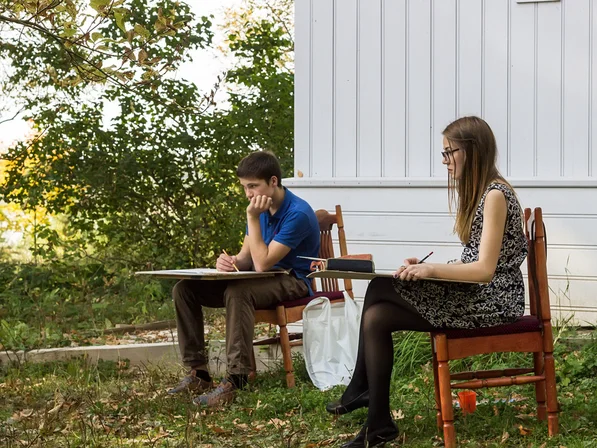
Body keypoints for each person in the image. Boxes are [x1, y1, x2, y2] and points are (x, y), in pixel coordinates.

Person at [326, 116, 528, 447]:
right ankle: (377, 422)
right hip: (479, 295)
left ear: (472, 151)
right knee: (377, 316)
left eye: (451, 152)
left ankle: (361, 392)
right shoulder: (480, 193)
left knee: (379, 287)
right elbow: (470, 261)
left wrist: (431, 271)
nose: (446, 161)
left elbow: (484, 270)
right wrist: (423, 267)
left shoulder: (495, 194)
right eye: (444, 153)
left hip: (494, 301)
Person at [169, 150, 320, 407]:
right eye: (244, 187)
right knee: (184, 289)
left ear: (273, 181)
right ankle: (199, 373)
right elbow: (247, 258)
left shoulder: (298, 213)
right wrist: (230, 262)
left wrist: (251, 217)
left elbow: (262, 264)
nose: (248, 194)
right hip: (264, 280)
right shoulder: (260, 208)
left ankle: (236, 379)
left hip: (293, 281)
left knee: (238, 292)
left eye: (253, 186)